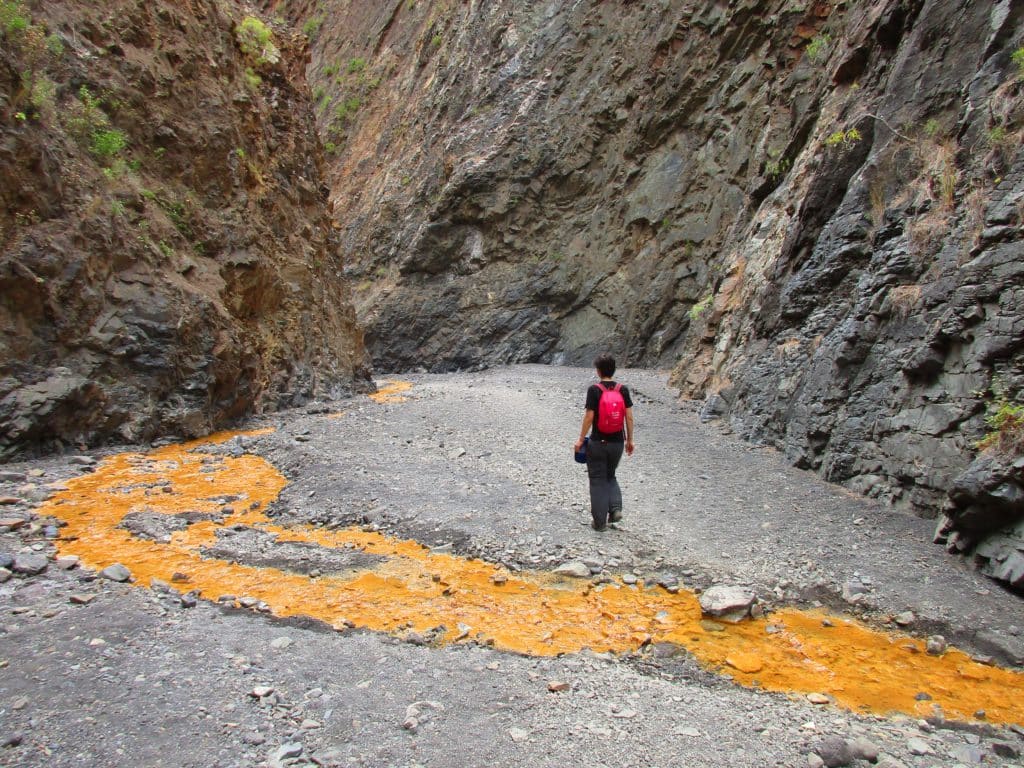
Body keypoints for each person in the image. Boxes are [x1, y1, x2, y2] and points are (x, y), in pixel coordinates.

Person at [573, 353, 634, 531]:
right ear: (613, 370)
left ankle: (599, 523)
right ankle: (615, 510)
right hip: (617, 443)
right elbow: (629, 418)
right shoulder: (623, 389)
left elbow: (589, 417)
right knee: (610, 475)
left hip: (598, 442)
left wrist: (579, 439)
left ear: (599, 371)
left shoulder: (595, 390)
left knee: (597, 479)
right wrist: (630, 440)